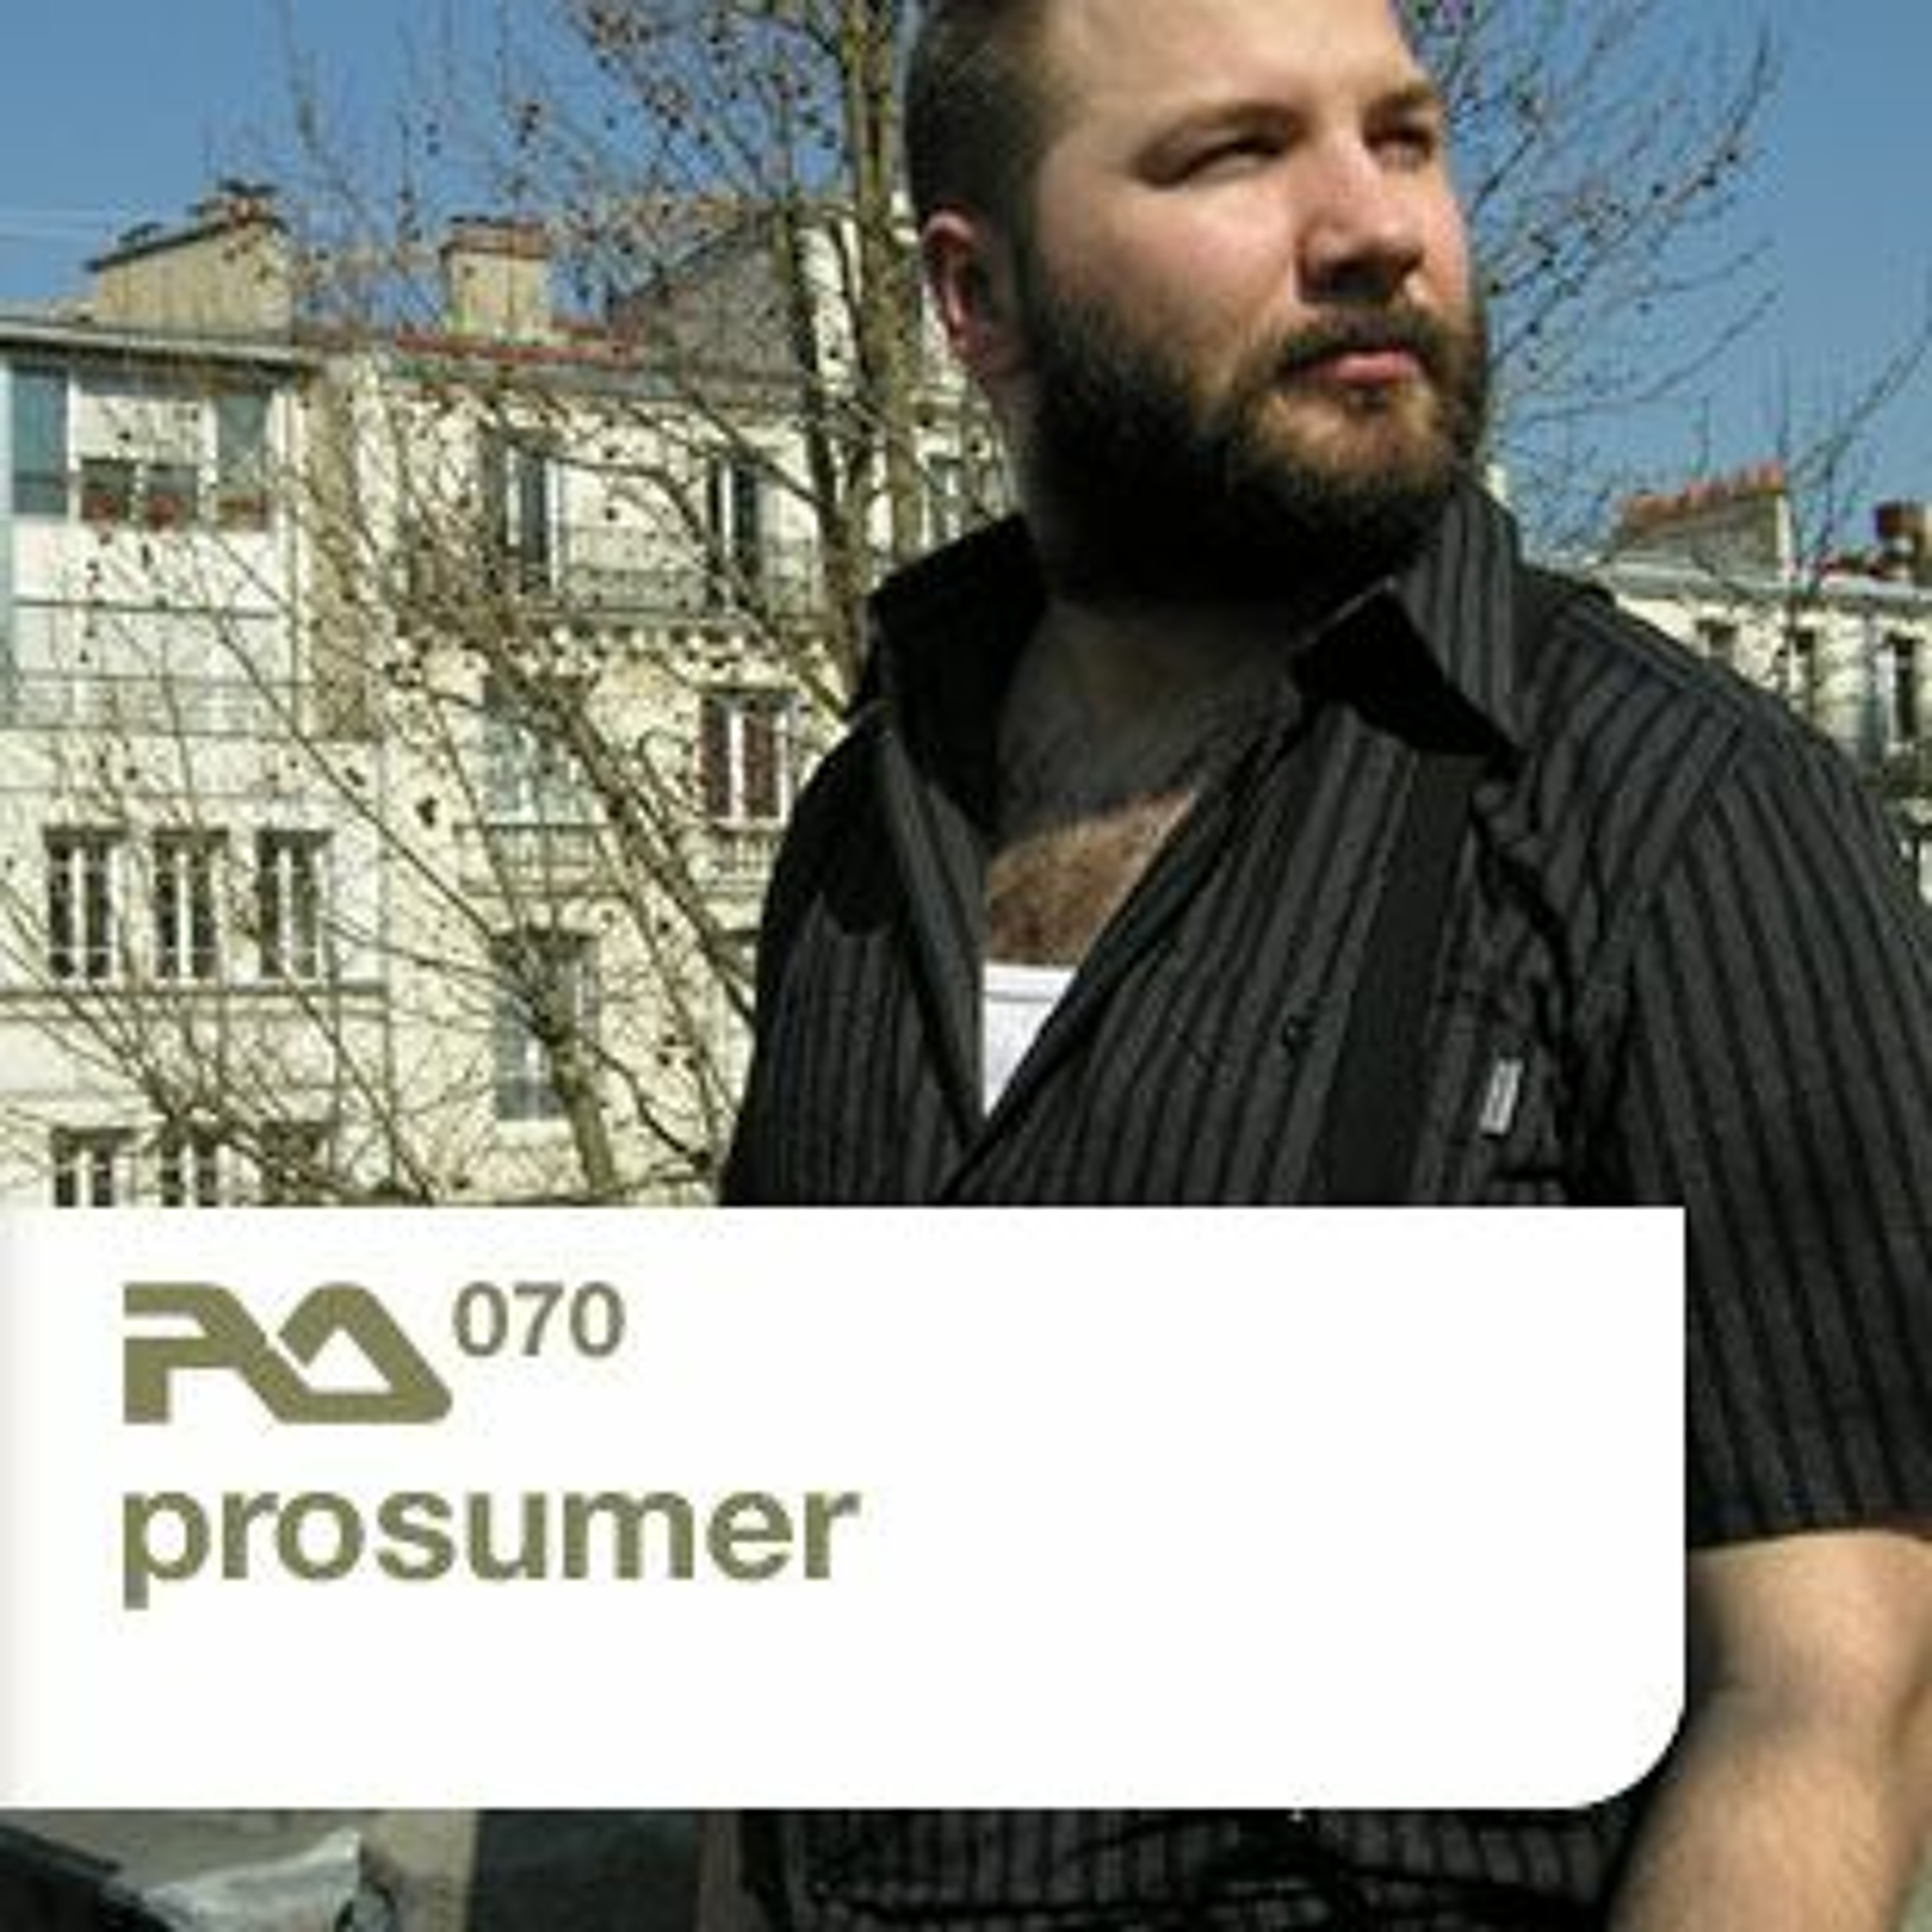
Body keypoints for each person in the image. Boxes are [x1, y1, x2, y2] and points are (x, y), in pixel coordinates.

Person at [720, 0, 1932, 1924]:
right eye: (1237, 153)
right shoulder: (863, 837)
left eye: (1405, 137)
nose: (1376, 225)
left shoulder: (1681, 813)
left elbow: (1836, 1690)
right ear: (979, 297)